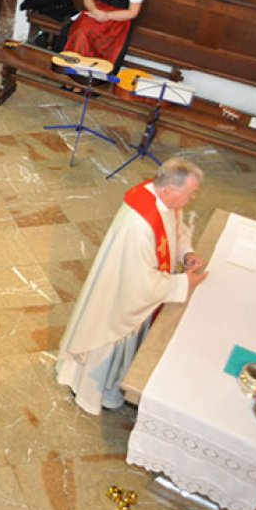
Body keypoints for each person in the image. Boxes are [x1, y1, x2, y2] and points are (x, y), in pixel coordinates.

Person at [56, 157, 209, 414]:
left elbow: (176, 230)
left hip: (140, 287)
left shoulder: (163, 195)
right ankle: (94, 390)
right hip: (120, 299)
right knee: (107, 341)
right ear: (171, 189)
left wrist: (185, 253)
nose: (191, 199)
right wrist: (185, 282)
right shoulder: (139, 224)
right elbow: (141, 285)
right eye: (190, 194)